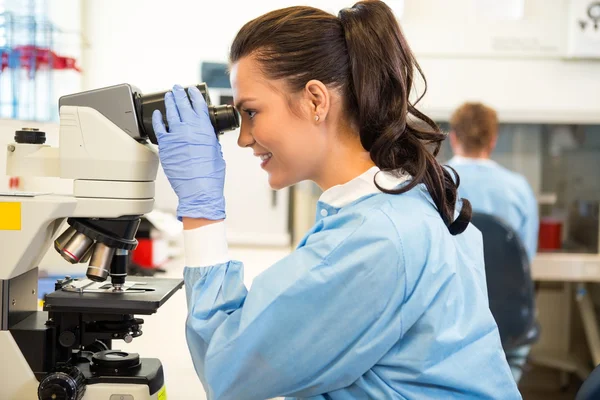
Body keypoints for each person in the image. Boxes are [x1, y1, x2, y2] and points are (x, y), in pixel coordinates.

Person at [152, 2, 521, 399]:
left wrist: (201, 213)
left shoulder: (376, 239)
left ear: (315, 100)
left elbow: (228, 369)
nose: (243, 137)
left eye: (251, 112)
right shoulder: (398, 204)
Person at [447, 102, 539, 383]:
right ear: (493, 140)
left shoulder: (433, 183)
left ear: (453, 137)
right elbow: (527, 258)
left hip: (450, 318)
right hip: (506, 320)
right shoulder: (518, 187)